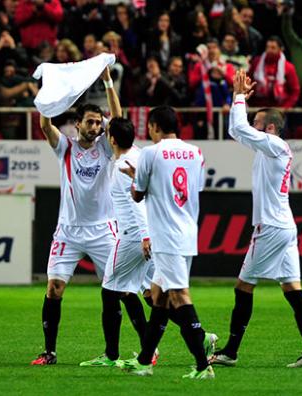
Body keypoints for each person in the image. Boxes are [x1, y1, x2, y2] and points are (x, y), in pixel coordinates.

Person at [210, 69, 302, 368]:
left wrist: (238, 98)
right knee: (292, 288)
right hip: (283, 226)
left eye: (257, 123)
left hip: (270, 227)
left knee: (243, 286)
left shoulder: (274, 146)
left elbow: (240, 128)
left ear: (270, 128)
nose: (252, 127)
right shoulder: (268, 148)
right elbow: (238, 130)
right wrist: (241, 102)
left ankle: (230, 351)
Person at [30, 67, 122, 366]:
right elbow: (45, 125)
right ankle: (49, 351)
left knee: (115, 290)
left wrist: (107, 81)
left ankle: (115, 352)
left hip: (102, 231)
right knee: (54, 288)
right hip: (68, 232)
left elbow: (119, 121)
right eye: (91, 122)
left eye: (98, 122)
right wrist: (48, 95)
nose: (96, 126)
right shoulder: (65, 147)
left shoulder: (106, 150)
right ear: (78, 124)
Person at [118, 105, 217, 379]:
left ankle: (202, 365)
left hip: (166, 235)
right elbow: (192, 190)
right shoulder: (195, 153)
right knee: (159, 297)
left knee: (179, 295)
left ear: (153, 126)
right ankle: (144, 360)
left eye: (149, 127)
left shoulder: (150, 153)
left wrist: (133, 178)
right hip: (186, 230)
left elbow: (137, 195)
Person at [78, 117, 156, 368]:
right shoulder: (139, 155)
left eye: (106, 132)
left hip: (133, 236)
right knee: (138, 293)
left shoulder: (124, 166)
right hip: (146, 235)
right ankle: (199, 336)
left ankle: (113, 355)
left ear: (112, 139)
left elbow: (138, 204)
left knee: (109, 290)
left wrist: (144, 236)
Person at [248, 37, 300, 108]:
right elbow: (248, 82)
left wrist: (284, 108)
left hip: (279, 108)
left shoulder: (288, 67)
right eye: (267, 47)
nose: (269, 50)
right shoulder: (256, 63)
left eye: (273, 48)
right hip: (257, 107)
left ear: (280, 49)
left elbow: (295, 91)